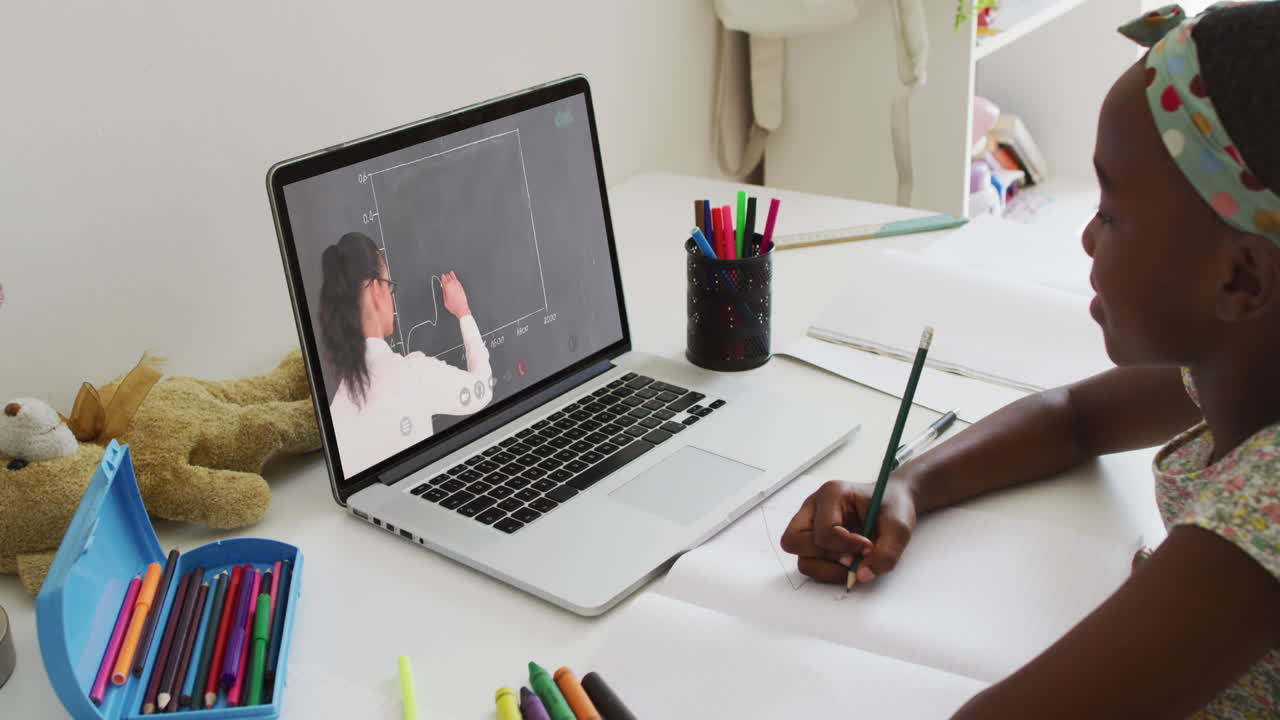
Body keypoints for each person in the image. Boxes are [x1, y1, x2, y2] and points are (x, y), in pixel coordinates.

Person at [780, 3, 1280, 717]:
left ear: (1242, 279)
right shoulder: (1248, 359)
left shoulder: (1260, 520)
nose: (1085, 237)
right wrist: (910, 485)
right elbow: (1074, 417)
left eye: (1111, 211)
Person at [319, 231, 492, 476]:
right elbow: (481, 390)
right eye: (390, 286)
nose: (391, 297)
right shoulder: (413, 375)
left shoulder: (337, 411)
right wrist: (463, 312)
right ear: (377, 289)